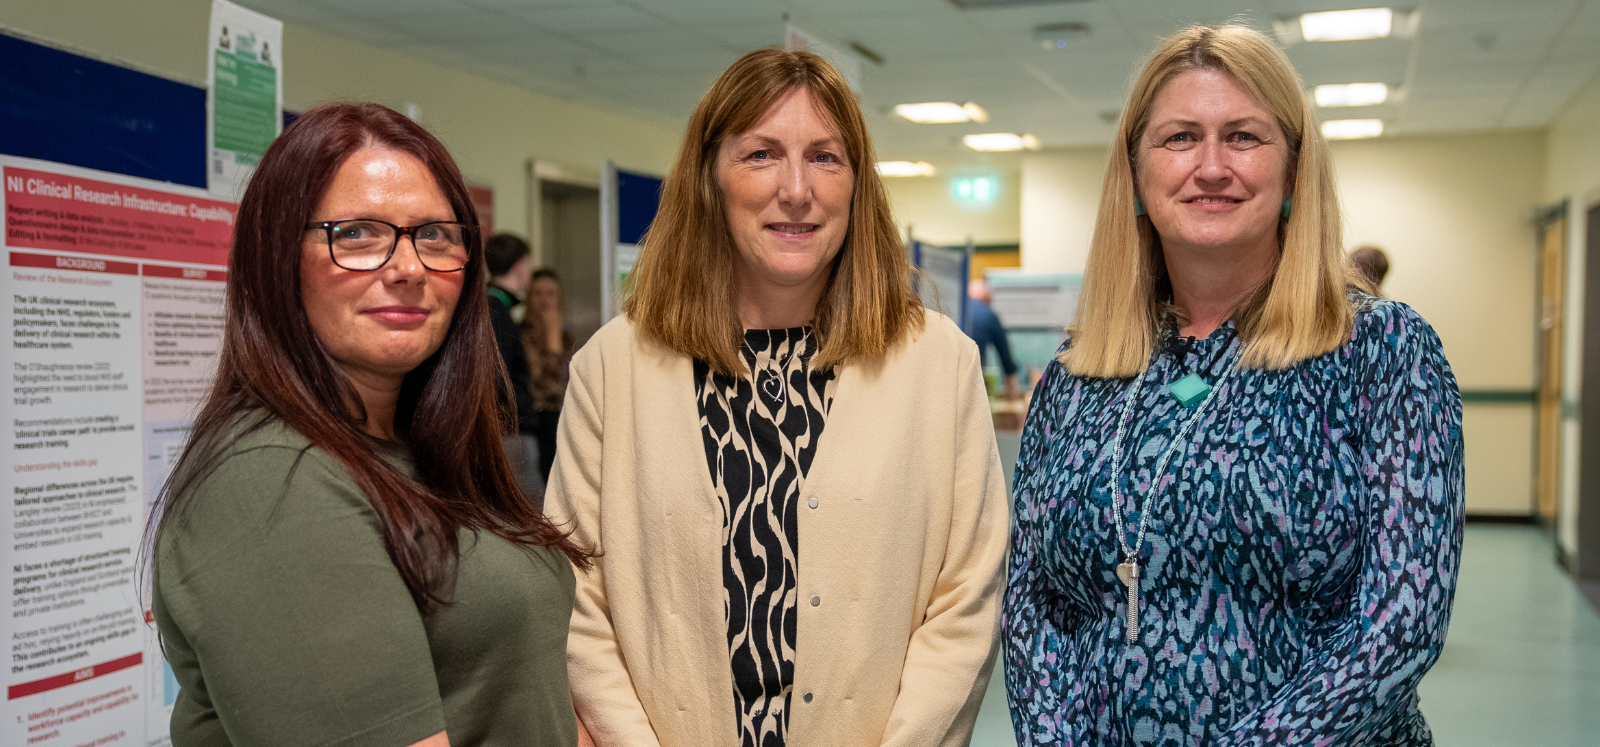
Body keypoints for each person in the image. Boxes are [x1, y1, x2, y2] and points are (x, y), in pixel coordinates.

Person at [1003, 25, 1463, 746]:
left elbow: (1400, 622)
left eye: (1244, 137)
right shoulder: (1077, 370)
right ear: (1136, 176)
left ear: (1294, 172)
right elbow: (1033, 603)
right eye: (1180, 138)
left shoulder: (1383, 350)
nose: (1211, 167)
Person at [544, 48, 1010, 747]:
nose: (797, 189)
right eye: (761, 154)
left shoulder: (940, 364)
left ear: (857, 184)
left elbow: (966, 599)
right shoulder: (613, 367)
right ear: (711, 177)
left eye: (825, 157)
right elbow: (576, 596)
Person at [150, 102, 589, 747]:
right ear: (277, 259)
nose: (408, 268)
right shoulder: (272, 482)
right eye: (355, 233)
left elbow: (531, 690)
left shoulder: (427, 451)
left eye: (434, 234)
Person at [485, 233, 544, 496]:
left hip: (505, 431)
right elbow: (497, 374)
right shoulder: (496, 310)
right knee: (530, 510)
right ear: (519, 266)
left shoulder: (490, 307)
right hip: (510, 433)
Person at [521, 267, 574, 483]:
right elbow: (546, 387)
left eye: (550, 294)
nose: (544, 300)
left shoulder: (568, 339)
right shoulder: (520, 335)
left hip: (564, 424)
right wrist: (553, 341)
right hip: (536, 424)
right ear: (528, 298)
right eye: (538, 293)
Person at [963, 278, 1021, 399]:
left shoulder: (958, 311)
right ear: (985, 295)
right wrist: (1011, 396)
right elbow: (1005, 356)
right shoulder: (989, 314)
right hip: (973, 381)